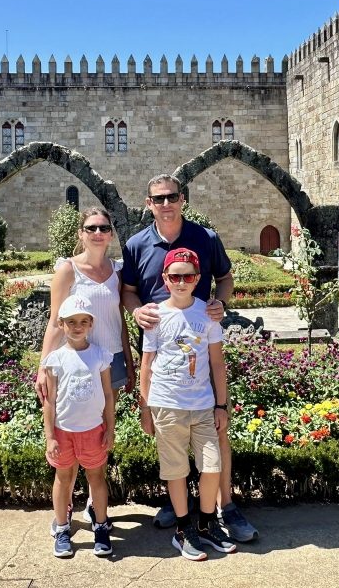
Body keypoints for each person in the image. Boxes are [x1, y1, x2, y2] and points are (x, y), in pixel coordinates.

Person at [122, 174, 259, 542]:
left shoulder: (206, 238)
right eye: (158, 198)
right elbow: (129, 291)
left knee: (215, 425)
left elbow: (226, 279)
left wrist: (221, 302)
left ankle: (225, 506)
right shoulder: (137, 244)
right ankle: (178, 505)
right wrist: (135, 312)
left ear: (182, 199)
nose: (165, 203)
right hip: (159, 344)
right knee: (171, 431)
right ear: (148, 203)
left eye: (171, 197)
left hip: (201, 341)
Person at [36, 207, 134, 533]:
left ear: (110, 233)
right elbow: (54, 321)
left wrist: (130, 361)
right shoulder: (67, 270)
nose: (97, 233)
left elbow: (120, 320)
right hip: (73, 362)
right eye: (91, 227)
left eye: (103, 227)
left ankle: (94, 505)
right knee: (70, 430)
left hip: (110, 360)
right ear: (81, 233)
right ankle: (65, 503)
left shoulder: (118, 270)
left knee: (98, 432)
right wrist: (42, 368)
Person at [139, 248, 236, 560]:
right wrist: (145, 408)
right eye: (175, 276)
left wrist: (221, 406)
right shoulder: (156, 316)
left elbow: (218, 364)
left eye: (189, 276)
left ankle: (207, 524)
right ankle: (183, 529)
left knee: (212, 467)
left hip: (203, 407)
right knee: (176, 471)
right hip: (167, 406)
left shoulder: (206, 314)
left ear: (198, 280)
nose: (181, 282)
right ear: (165, 278)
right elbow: (146, 365)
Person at [42, 294, 115, 559]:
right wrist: (50, 436)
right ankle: (62, 528)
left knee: (96, 477)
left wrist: (110, 427)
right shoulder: (56, 359)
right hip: (64, 432)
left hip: (93, 430)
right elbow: (49, 401)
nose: (77, 326)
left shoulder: (100, 356)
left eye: (84, 321)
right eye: (71, 321)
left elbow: (107, 395)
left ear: (91, 324)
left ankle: (101, 526)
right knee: (63, 478)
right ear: (61, 324)